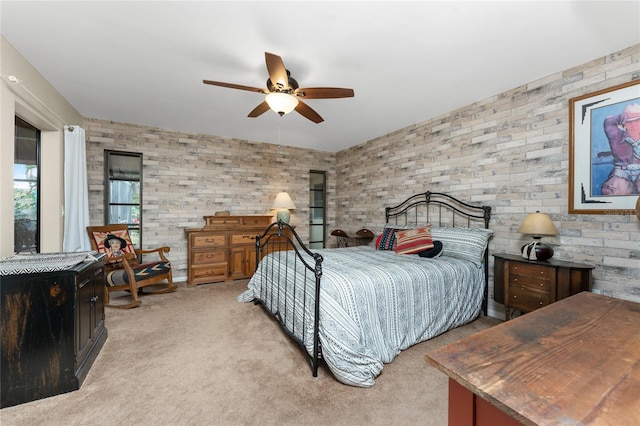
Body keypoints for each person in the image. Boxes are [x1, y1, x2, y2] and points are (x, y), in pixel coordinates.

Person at [601, 103, 640, 195]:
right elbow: (608, 123)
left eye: (637, 120)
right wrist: (622, 117)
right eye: (629, 121)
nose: (633, 125)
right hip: (621, 172)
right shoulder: (617, 136)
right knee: (609, 191)